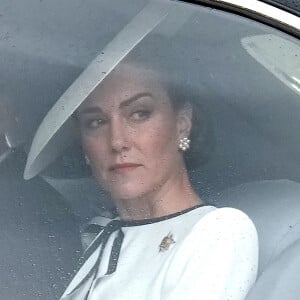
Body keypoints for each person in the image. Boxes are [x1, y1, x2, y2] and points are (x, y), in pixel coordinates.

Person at [24, 62, 258, 300]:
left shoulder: (218, 231)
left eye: (139, 114)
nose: (117, 141)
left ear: (182, 123)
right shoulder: (100, 232)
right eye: (96, 122)